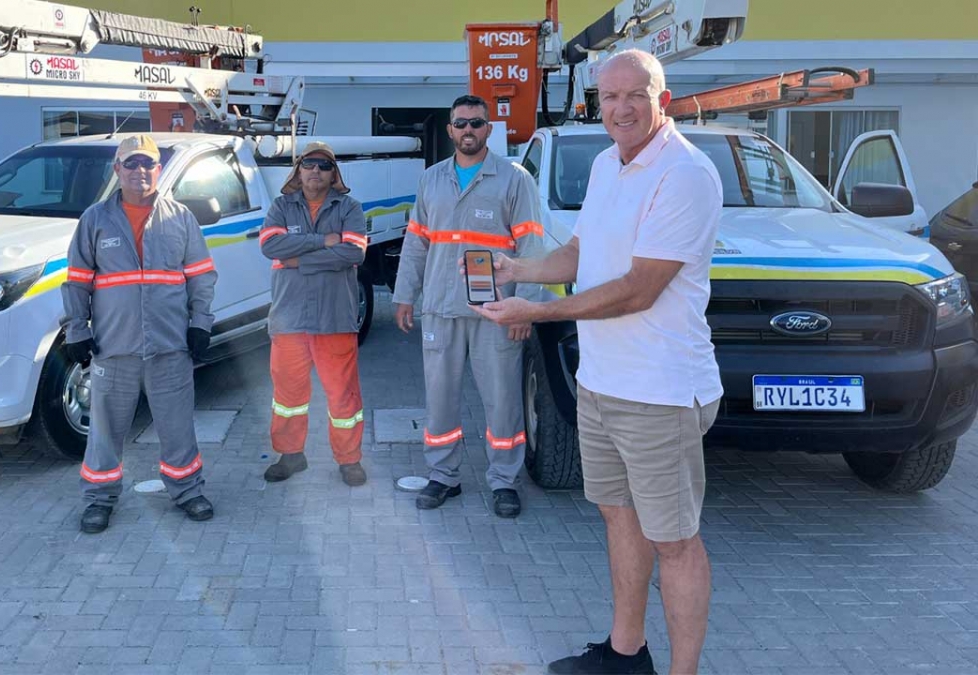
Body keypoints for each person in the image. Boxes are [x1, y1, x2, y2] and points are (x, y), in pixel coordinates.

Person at [470, 50, 723, 674]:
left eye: (636, 95)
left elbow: (638, 290)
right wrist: (519, 269)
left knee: (675, 541)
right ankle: (625, 654)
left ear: (663, 99)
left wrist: (536, 312)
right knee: (618, 515)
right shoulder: (610, 164)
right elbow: (582, 252)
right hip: (602, 382)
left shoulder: (685, 174)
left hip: (660, 392)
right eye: (610, 96)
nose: (621, 108)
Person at [391, 94, 544, 518]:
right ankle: (443, 476)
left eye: (476, 123)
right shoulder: (432, 179)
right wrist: (404, 295)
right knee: (439, 398)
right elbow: (416, 242)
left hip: (495, 310)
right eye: (461, 123)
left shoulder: (514, 179)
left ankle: (504, 480)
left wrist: (525, 306)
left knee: (502, 398)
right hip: (441, 306)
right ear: (450, 130)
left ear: (489, 129)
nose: (468, 130)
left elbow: (532, 247)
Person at [61, 134, 218, 534]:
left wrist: (200, 323)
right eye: (130, 163)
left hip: (170, 345)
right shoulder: (95, 220)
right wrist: (77, 329)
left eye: (147, 163)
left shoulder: (180, 217)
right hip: (114, 346)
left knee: (178, 426)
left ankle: (187, 490)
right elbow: (77, 280)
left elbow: (201, 276)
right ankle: (98, 499)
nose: (139, 171)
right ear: (118, 169)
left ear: (158, 170)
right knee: (104, 431)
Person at [259, 141, 368, 486]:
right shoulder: (281, 206)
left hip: (334, 318)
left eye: (324, 165)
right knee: (288, 395)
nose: (316, 171)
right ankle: (291, 455)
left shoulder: (349, 208)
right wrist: (322, 241)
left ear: (334, 174)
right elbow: (270, 245)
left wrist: (298, 260)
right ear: (298, 170)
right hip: (289, 318)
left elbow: (354, 253)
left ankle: (349, 460)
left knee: (343, 394)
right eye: (309, 164)